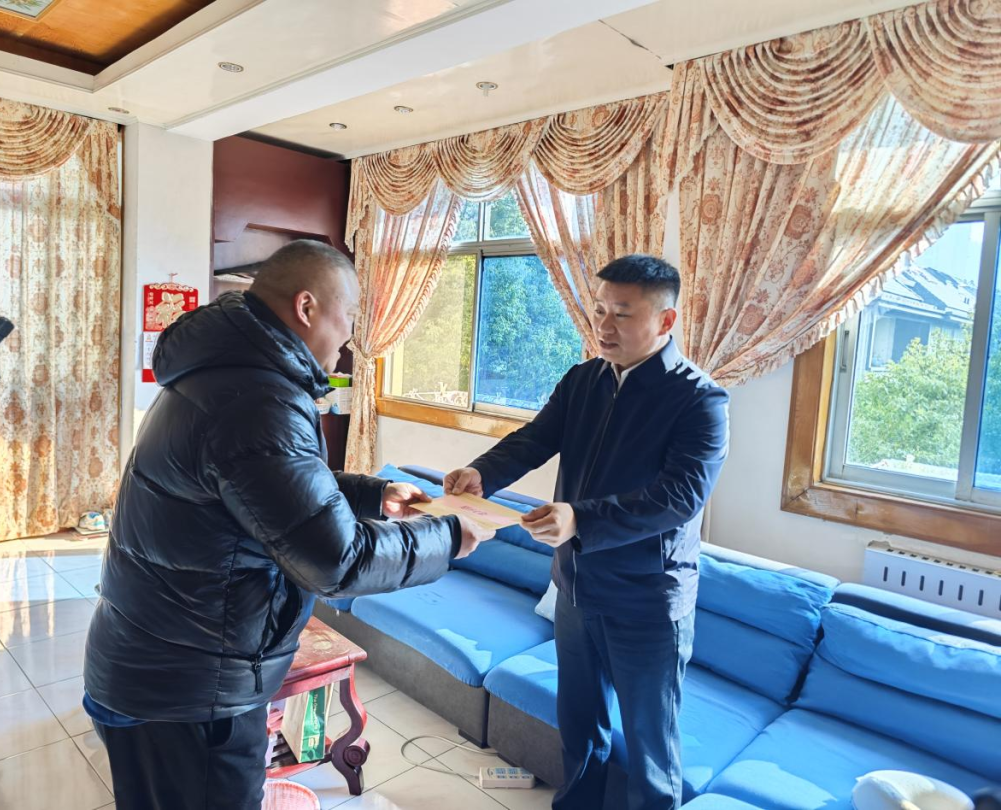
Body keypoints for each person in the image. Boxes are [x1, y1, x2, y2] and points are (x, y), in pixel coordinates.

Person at [84, 240, 494, 810]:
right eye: (349, 314)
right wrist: (448, 537)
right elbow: (336, 560)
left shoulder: (228, 372)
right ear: (306, 307)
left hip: (157, 663)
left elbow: (263, 487)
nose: (351, 335)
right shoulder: (259, 400)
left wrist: (373, 494)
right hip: (190, 689)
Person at [445, 254, 729, 810]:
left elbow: (679, 497)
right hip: (575, 589)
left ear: (665, 321)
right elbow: (534, 439)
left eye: (622, 314)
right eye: (599, 310)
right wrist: (483, 473)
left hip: (647, 602)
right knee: (580, 726)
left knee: (650, 748)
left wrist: (581, 518)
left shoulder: (699, 399)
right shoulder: (584, 380)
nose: (603, 325)